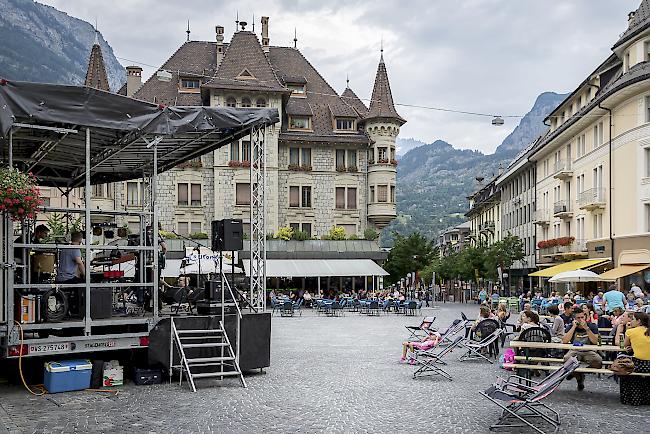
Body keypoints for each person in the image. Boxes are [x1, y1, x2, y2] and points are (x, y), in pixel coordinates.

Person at [562, 310, 602, 391]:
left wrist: (587, 328)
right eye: (578, 318)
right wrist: (573, 327)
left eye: (582, 317)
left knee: (598, 361)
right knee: (567, 360)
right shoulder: (570, 326)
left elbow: (595, 341)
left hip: (589, 350)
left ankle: (580, 373)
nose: (580, 319)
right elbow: (565, 341)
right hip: (575, 350)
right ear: (574, 319)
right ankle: (579, 377)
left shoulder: (592, 326)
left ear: (585, 317)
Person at [619, 312, 650, 405]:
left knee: (624, 369)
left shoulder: (631, 332)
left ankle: (631, 398)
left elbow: (623, 346)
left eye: (633, 319)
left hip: (640, 365)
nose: (631, 321)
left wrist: (627, 330)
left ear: (639, 321)